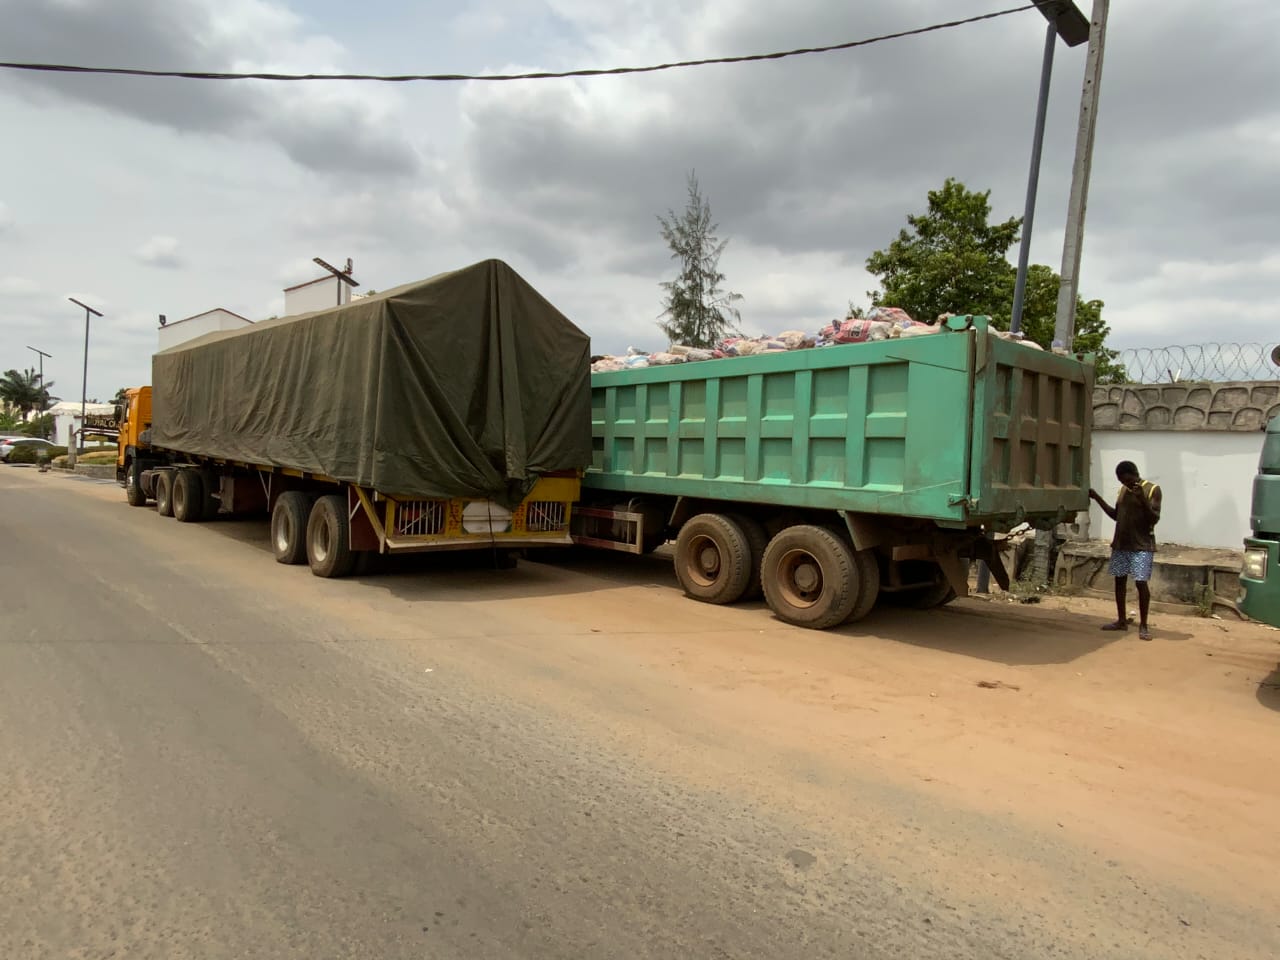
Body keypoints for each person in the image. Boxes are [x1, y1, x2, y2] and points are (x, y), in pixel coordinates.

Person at [1089, 461, 1162, 640]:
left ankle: (1144, 625)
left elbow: (1154, 518)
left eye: (1127, 480)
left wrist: (1142, 499)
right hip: (1122, 544)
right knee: (1119, 581)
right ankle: (1121, 620)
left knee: (1141, 583)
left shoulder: (1152, 490)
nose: (1125, 484)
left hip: (1142, 545)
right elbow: (1116, 515)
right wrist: (1097, 498)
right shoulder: (1122, 491)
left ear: (1135, 474)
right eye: (1122, 481)